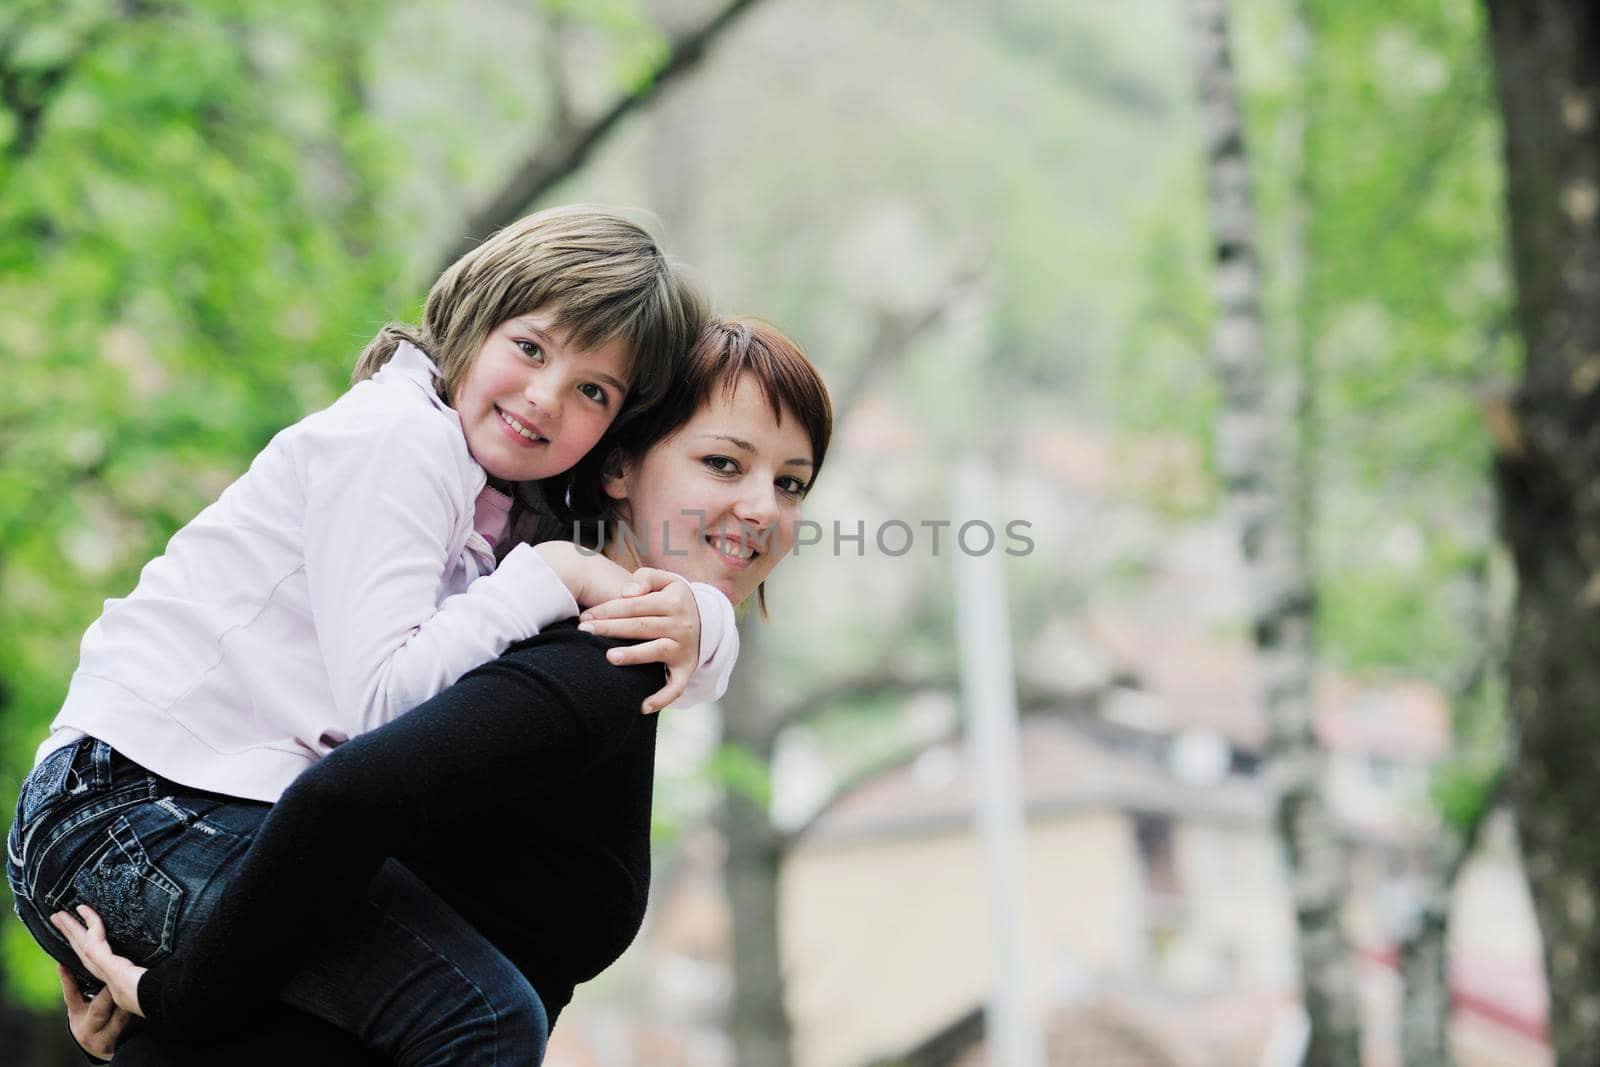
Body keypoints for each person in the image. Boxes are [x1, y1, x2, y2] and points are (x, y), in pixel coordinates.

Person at [5, 205, 747, 1062]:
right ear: (475, 318)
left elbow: (650, 640)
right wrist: (547, 576)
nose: (545, 397)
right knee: (481, 1014)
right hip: (125, 806)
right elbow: (386, 705)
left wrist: (704, 617)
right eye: (531, 347)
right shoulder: (399, 439)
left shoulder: (503, 499)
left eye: (593, 390)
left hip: (203, 811)